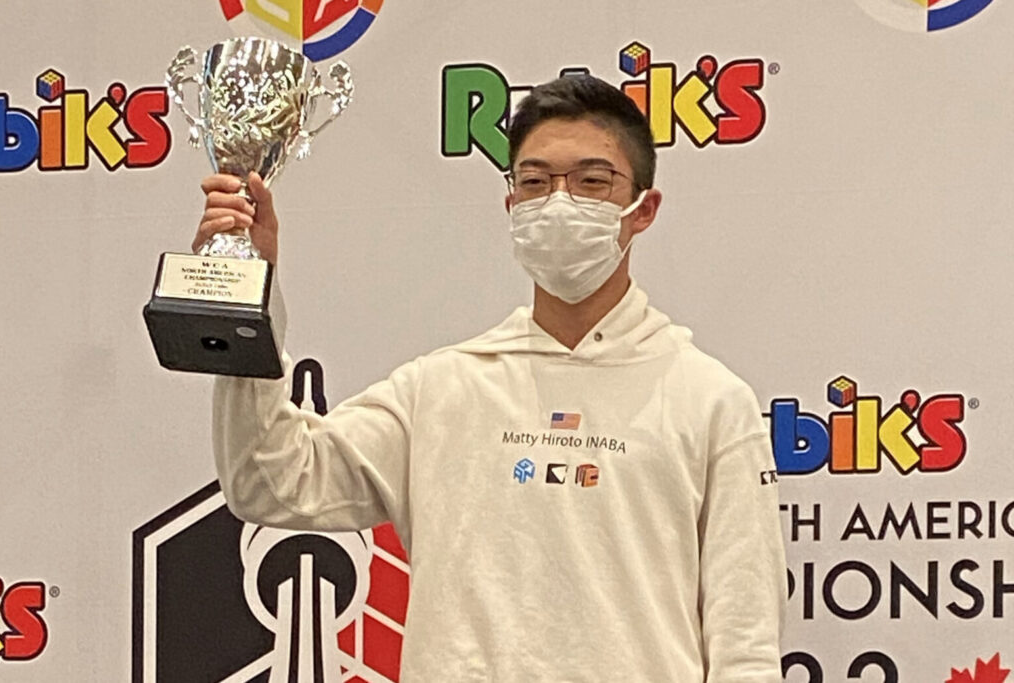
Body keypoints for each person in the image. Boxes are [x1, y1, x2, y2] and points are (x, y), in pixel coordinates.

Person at [197, 74, 787, 682]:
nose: (559, 202)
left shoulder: (710, 401)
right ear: (513, 207)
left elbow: (745, 648)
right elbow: (269, 481)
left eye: (592, 181)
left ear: (643, 209)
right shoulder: (443, 390)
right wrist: (244, 297)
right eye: (535, 182)